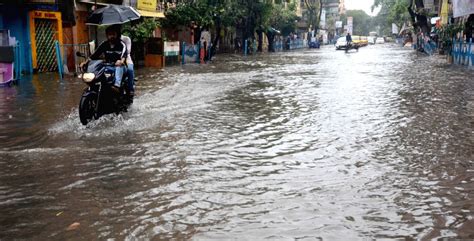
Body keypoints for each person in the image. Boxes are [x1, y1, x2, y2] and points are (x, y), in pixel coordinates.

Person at [84, 25, 127, 93]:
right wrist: (85, 62)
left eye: (113, 34)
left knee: (119, 66)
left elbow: (124, 56)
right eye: (110, 34)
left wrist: (121, 61)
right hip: (107, 66)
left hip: (120, 67)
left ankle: (117, 86)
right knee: (98, 68)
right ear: (107, 35)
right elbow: (94, 55)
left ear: (117, 35)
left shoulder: (122, 44)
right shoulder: (104, 44)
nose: (112, 36)